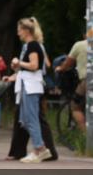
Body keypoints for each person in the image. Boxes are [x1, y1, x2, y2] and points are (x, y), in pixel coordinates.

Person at [6, 17, 57, 164]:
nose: (18, 33)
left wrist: (19, 62)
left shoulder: (33, 45)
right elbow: (28, 68)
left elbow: (34, 66)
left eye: (19, 30)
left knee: (31, 118)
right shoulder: (27, 46)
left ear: (26, 31)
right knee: (25, 119)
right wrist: (16, 71)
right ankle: (38, 149)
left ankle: (40, 149)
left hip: (31, 87)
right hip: (26, 85)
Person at [55, 34, 93, 131]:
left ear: (85, 34)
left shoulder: (79, 45)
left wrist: (60, 68)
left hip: (90, 81)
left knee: (75, 107)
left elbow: (68, 63)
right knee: (87, 101)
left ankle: (87, 137)